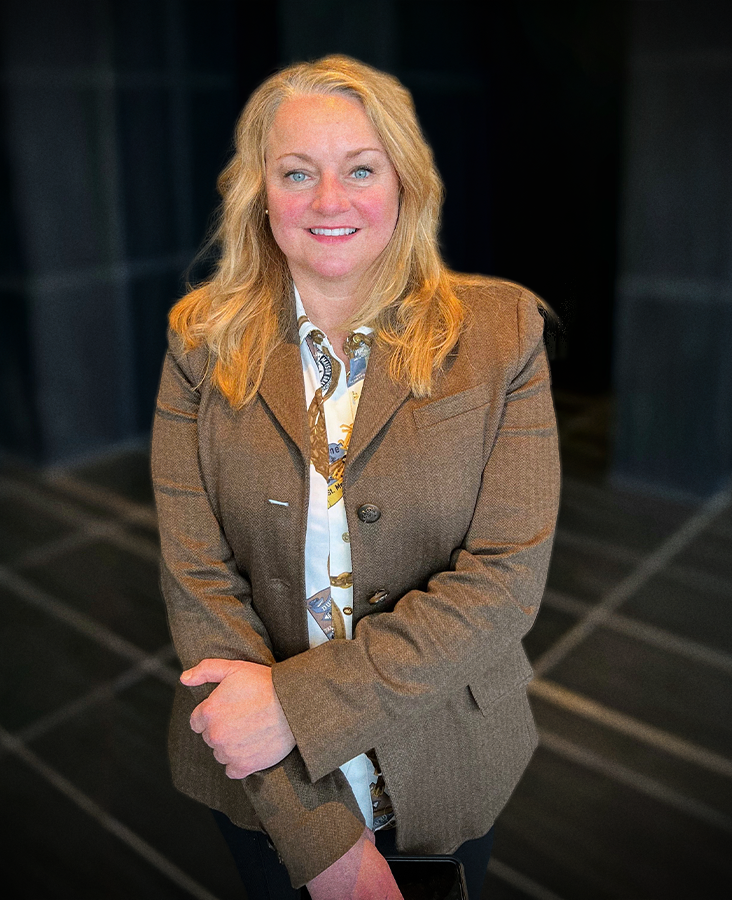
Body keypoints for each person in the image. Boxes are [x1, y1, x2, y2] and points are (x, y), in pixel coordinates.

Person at [152, 54, 560, 900]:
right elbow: (198, 583)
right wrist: (322, 842)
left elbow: (504, 584)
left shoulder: (502, 331)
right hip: (261, 780)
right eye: (297, 172)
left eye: (360, 170)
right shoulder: (199, 341)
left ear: (405, 183)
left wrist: (296, 708)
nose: (328, 201)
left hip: (450, 756)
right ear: (262, 196)